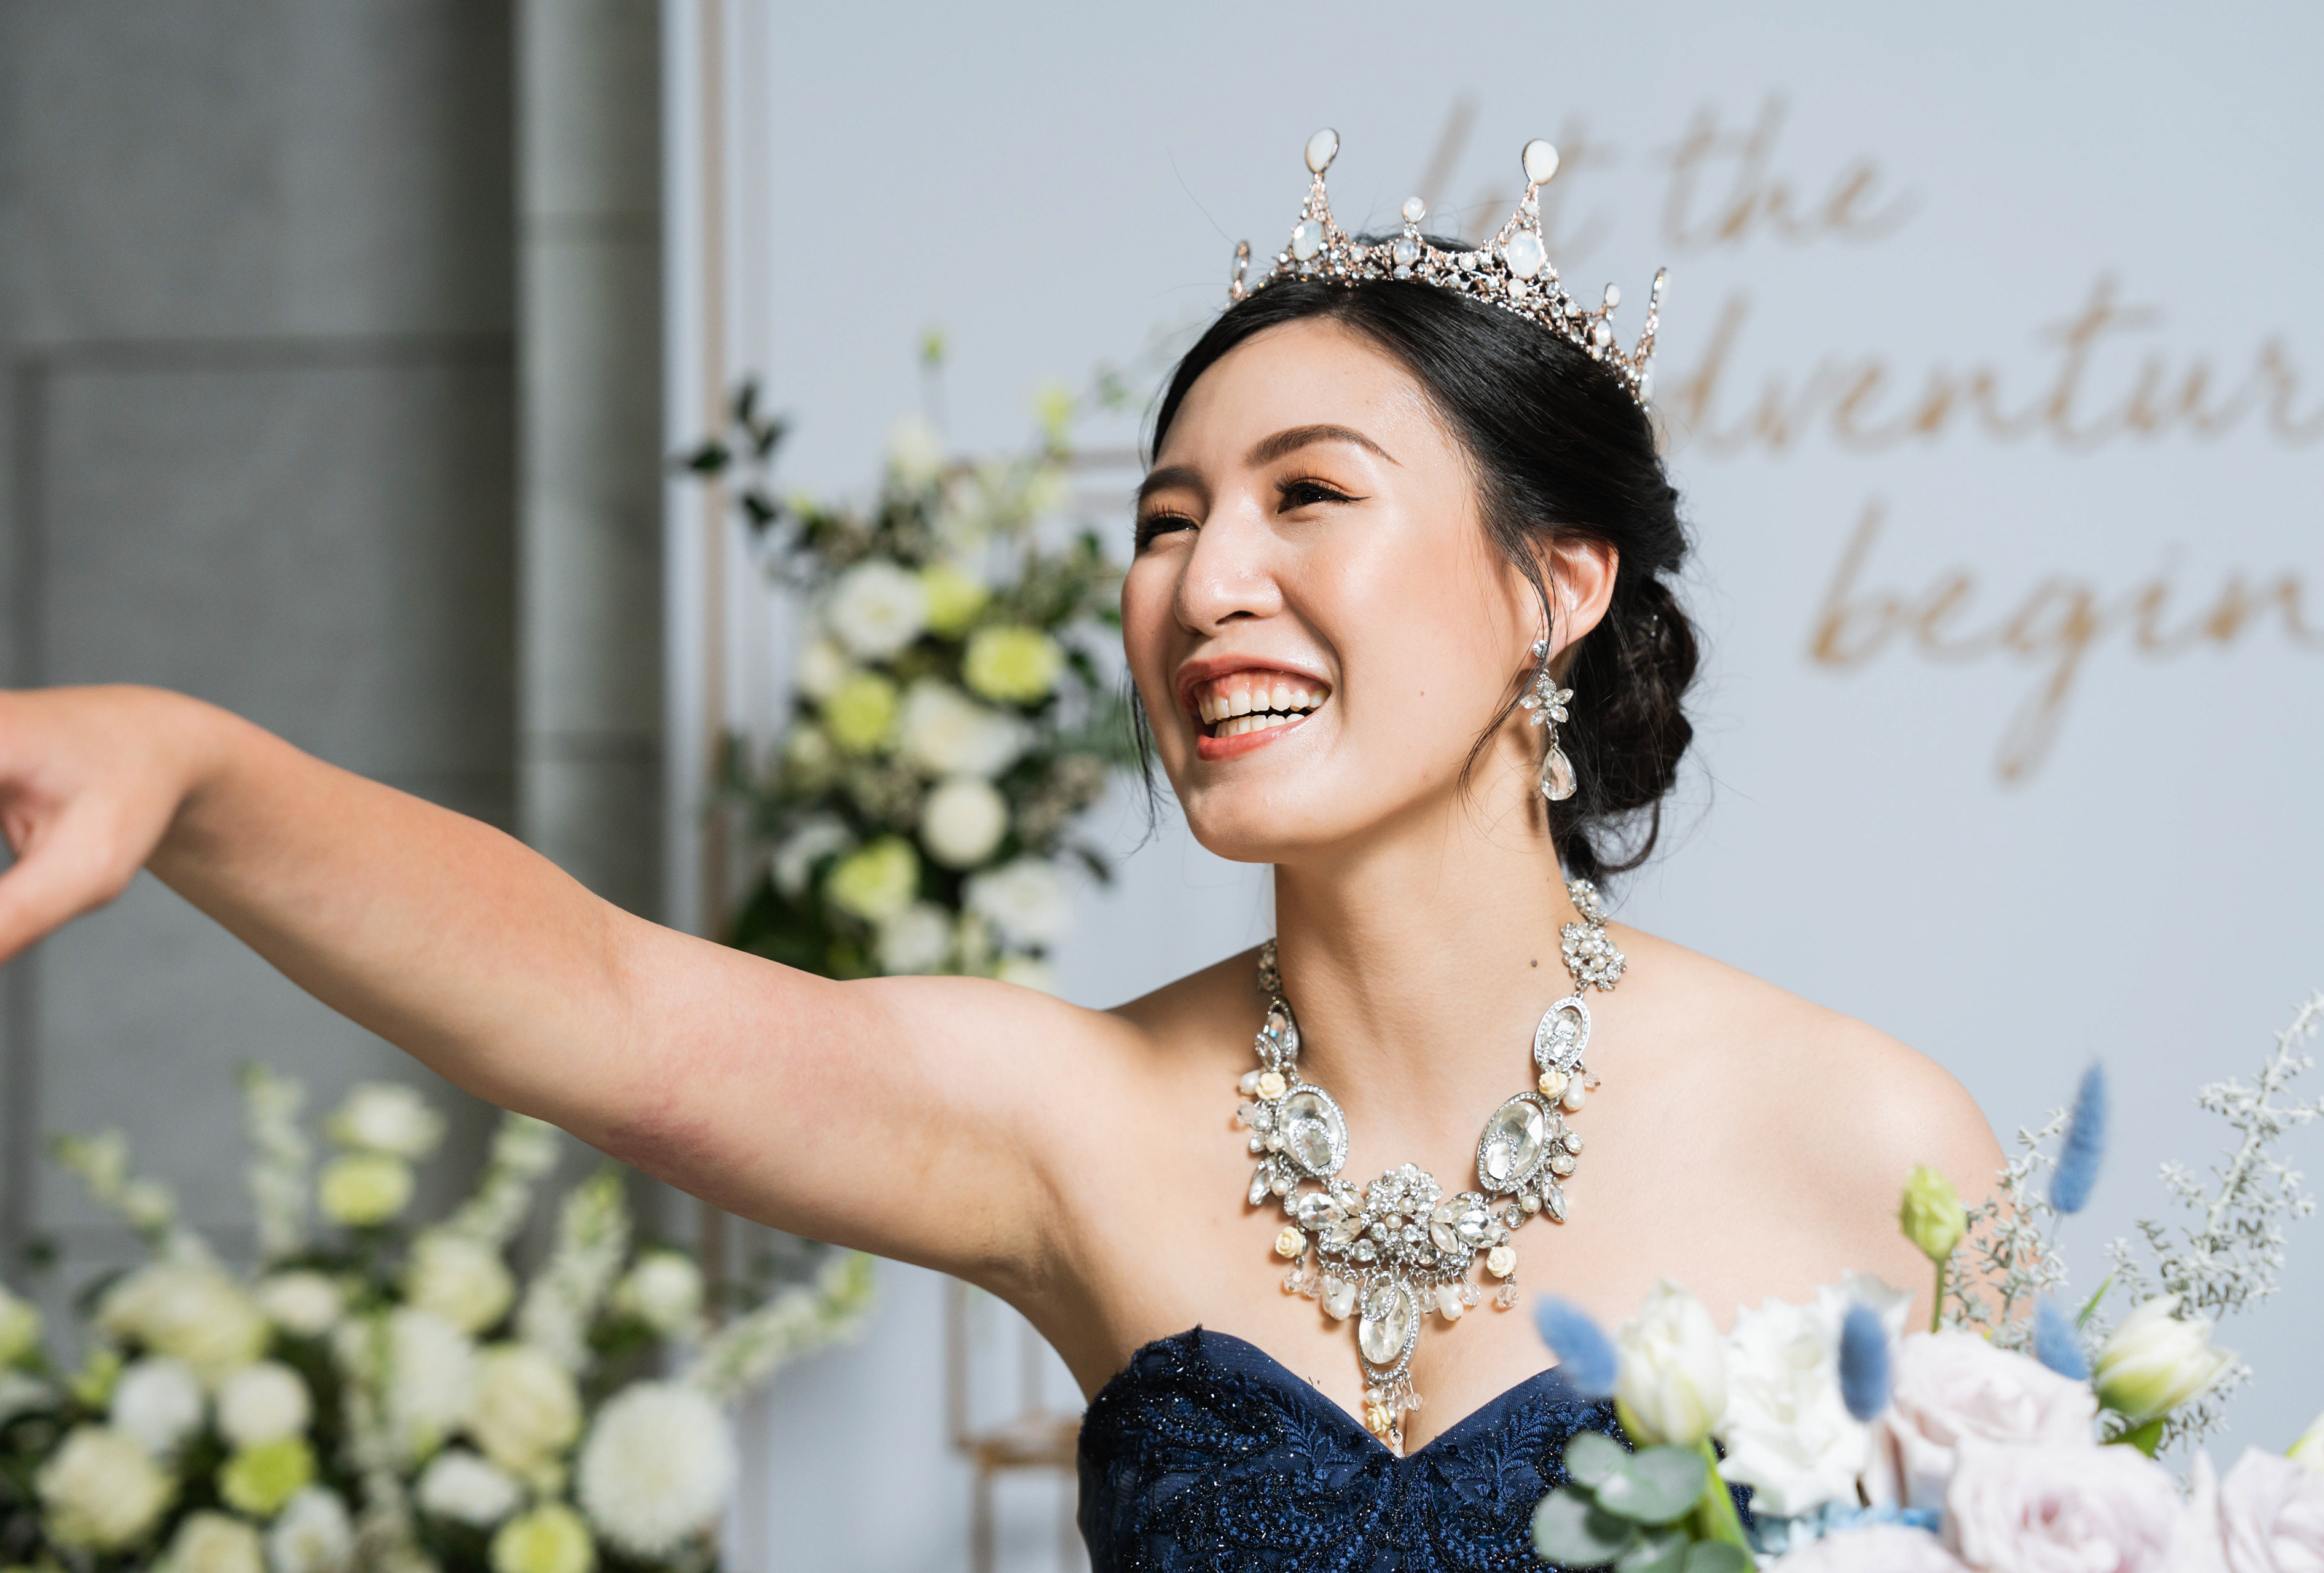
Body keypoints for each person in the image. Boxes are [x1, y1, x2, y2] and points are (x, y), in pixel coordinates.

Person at [0, 133, 1998, 1569]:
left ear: (1556, 584)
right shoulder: (1074, 1122)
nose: (1205, 581)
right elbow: (615, 1013)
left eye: (1309, 495)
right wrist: (195, 776)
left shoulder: (1866, 1142)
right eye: (1163, 522)